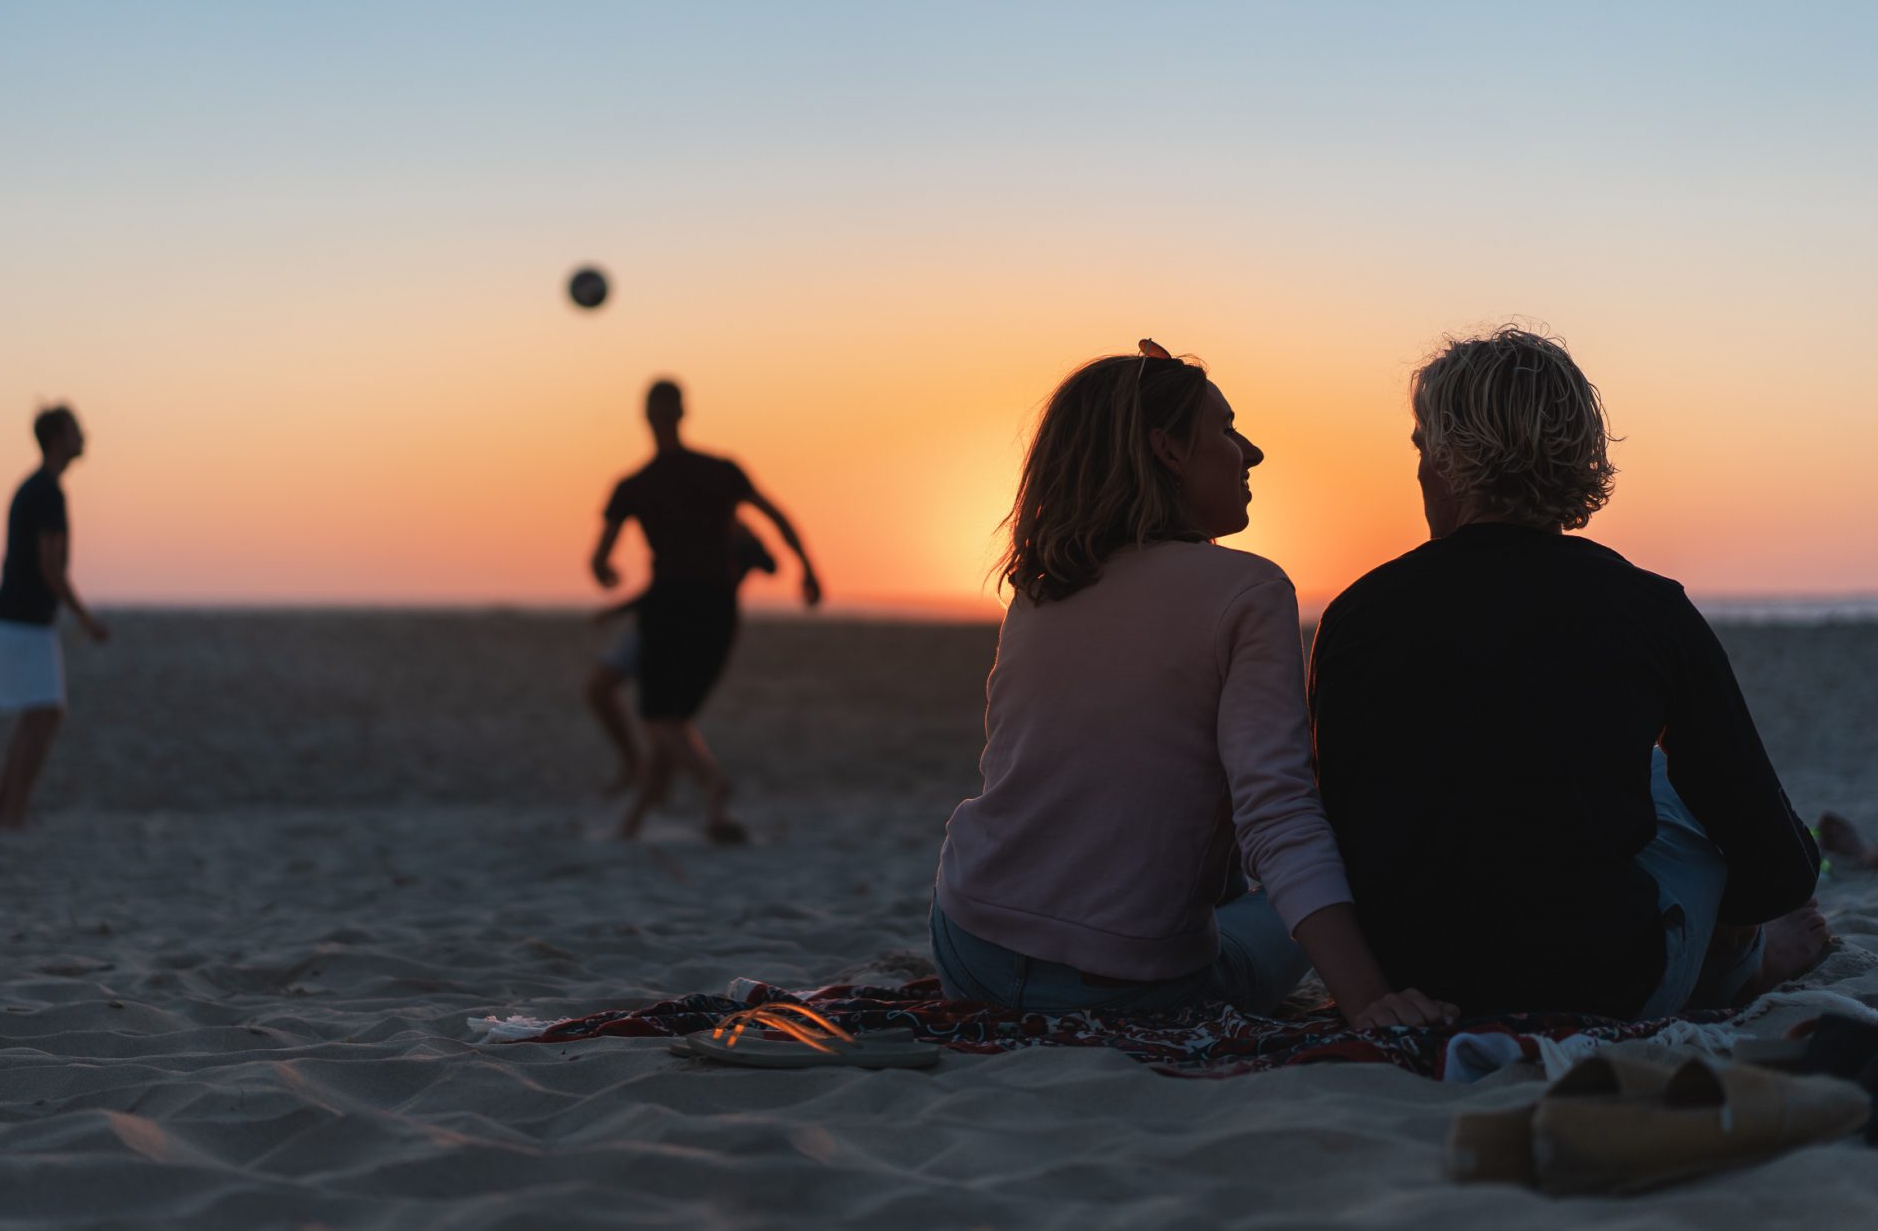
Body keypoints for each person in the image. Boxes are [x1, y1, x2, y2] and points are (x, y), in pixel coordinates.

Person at [930, 341, 1456, 1029]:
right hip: (1127, 986)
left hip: (970, 947)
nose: (1252, 451)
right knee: (1331, 863)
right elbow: (1276, 814)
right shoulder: (1248, 590)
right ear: (1169, 451)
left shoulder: (1043, 584)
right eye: (1228, 430)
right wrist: (1368, 1003)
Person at [1310, 326, 1827, 1021]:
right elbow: (1778, 867)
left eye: (1420, 449)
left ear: (1445, 457)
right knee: (1686, 807)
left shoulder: (1356, 614)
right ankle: (1745, 965)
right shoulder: (1647, 609)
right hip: (1598, 986)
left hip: (1406, 984)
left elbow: (1344, 822)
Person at [590, 379, 823, 842]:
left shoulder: (635, 485)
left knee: (660, 718)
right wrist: (810, 571)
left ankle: (713, 782)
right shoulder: (720, 470)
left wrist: (606, 573)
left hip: (669, 607)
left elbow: (600, 558)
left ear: (647, 417)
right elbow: (777, 517)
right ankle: (638, 823)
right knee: (672, 717)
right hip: (718, 610)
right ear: (683, 412)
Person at [0, 405, 110, 830]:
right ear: (57, 437)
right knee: (44, 714)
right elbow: (50, 566)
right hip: (23, 618)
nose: (84, 437)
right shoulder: (46, 492)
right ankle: (12, 813)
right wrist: (85, 619)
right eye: (76, 430)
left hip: (19, 617)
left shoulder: (36, 488)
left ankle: (2, 811)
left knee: (37, 714)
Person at [584, 521, 777, 796]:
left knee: (662, 721)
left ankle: (697, 782)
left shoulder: (723, 537)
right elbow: (664, 587)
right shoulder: (703, 531)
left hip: (678, 630)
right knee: (665, 721)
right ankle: (645, 798)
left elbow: (769, 565)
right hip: (686, 628)